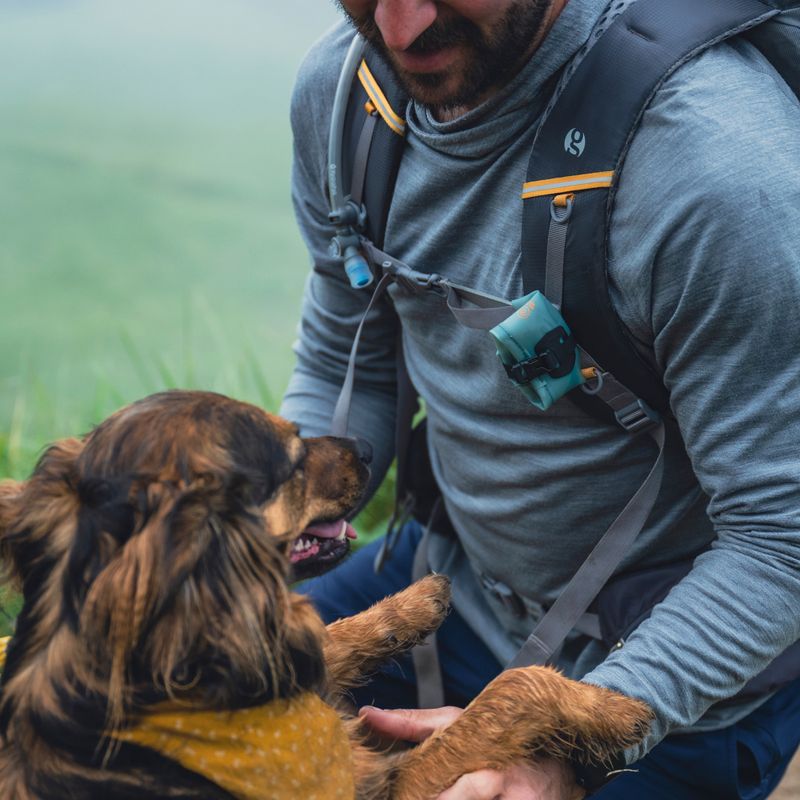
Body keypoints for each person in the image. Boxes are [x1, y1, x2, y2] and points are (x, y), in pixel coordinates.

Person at [280, 0, 800, 797]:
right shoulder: (352, 101)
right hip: (451, 588)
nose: (398, 30)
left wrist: (560, 746)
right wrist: (256, 533)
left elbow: (781, 540)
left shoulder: (714, 176)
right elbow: (343, 355)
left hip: (674, 676)